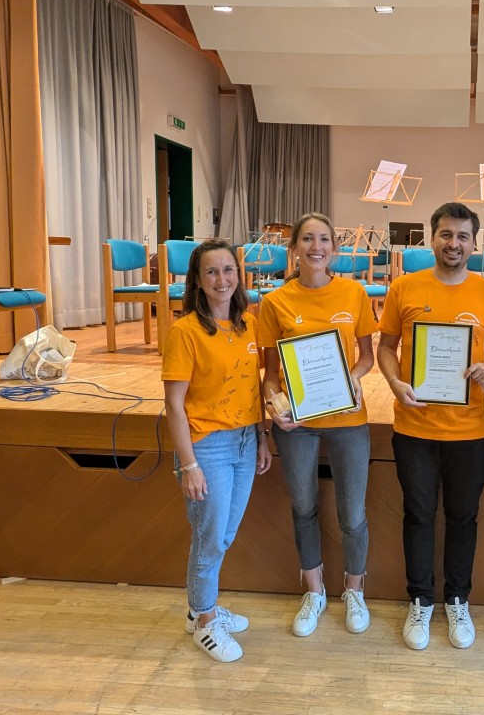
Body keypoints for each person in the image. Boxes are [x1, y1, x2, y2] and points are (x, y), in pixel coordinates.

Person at [377, 201, 484, 651]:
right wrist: (394, 382)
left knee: (463, 517)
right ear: (431, 238)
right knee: (417, 515)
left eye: (463, 236)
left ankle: (457, 599)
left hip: (469, 430)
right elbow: (386, 346)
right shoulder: (404, 287)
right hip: (414, 426)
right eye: (446, 234)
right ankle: (420, 600)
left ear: (474, 243)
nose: (454, 243)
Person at [257, 213, 377, 637]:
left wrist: (355, 378)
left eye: (324, 239)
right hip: (298, 424)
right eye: (307, 239)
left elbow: (367, 356)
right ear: (294, 248)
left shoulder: (354, 293)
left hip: (348, 418)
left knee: (353, 513)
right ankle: (314, 590)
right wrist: (273, 406)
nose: (316, 247)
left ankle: (354, 591)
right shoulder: (275, 302)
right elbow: (271, 373)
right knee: (303, 507)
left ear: (334, 249)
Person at [162, 238, 273, 663]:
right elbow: (174, 405)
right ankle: (205, 621)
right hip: (206, 446)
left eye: (228, 270)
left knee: (223, 534)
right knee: (210, 538)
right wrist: (189, 464)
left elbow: (252, 388)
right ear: (197, 280)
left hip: (244, 440)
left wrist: (261, 436)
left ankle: (199, 608)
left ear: (238, 276)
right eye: (211, 271)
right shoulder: (185, 332)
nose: (221, 279)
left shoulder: (248, 325)